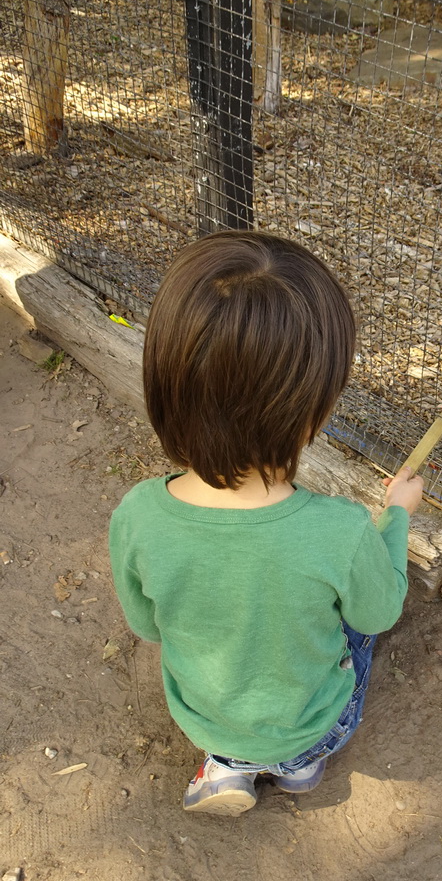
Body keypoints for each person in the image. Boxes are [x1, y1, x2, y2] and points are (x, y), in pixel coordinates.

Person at [109, 230, 423, 816]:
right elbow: (380, 612)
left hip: (206, 716)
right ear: (312, 415)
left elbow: (148, 626)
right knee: (359, 620)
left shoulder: (138, 515)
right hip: (312, 723)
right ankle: (300, 766)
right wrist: (396, 517)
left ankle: (227, 764)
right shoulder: (342, 529)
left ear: (164, 387)